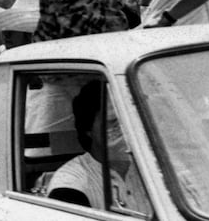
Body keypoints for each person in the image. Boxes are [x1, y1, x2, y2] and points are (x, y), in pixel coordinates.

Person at [46, 80, 150, 213]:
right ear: (88, 129)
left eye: (130, 121)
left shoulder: (152, 169)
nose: (126, 131)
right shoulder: (70, 185)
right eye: (113, 122)